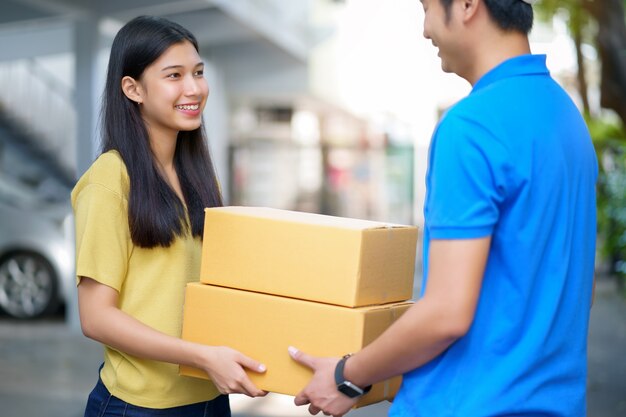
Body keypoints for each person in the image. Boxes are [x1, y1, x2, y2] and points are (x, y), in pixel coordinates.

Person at [289, 0, 598, 416]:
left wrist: (347, 375)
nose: (425, 29)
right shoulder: (566, 117)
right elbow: (575, 290)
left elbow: (446, 313)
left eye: (427, 7)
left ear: (468, 5)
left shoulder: (472, 126)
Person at [71, 15, 267, 417]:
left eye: (198, 72)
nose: (194, 88)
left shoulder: (198, 173)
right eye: (174, 75)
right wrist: (200, 355)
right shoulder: (110, 179)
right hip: (138, 406)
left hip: (209, 399)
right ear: (133, 89)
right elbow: (96, 317)